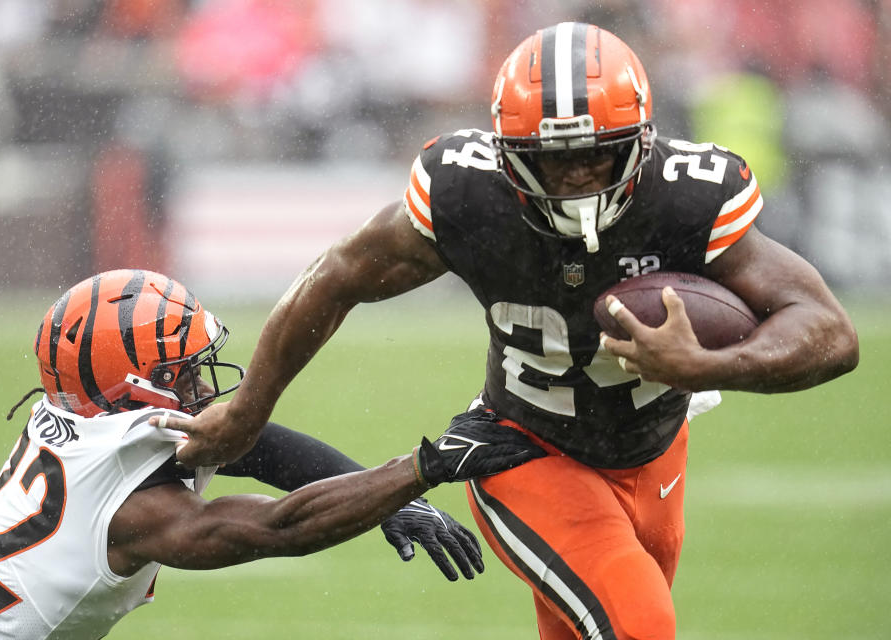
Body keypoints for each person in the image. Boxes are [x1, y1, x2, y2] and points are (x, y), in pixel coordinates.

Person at [156, 22, 860, 640]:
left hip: (655, 453)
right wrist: (250, 409)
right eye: (555, 159)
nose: (579, 177)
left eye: (597, 154)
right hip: (526, 451)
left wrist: (710, 367)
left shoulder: (687, 197)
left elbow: (830, 332)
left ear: (641, 143)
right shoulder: (468, 194)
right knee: (638, 626)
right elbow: (337, 276)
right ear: (507, 152)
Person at [0, 269, 544, 639]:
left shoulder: (81, 414)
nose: (201, 388)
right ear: (127, 388)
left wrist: (384, 499)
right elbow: (284, 527)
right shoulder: (133, 511)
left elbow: (256, 447)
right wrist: (424, 469)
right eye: (181, 372)